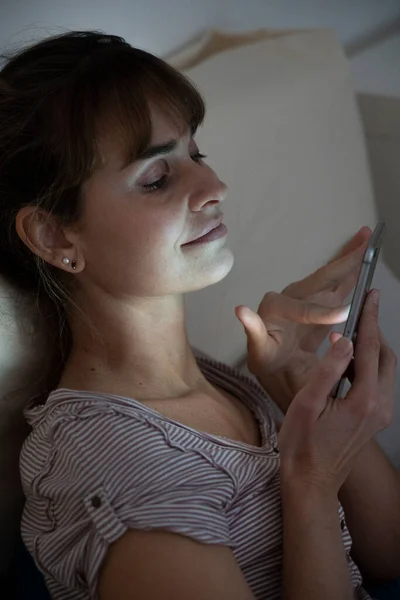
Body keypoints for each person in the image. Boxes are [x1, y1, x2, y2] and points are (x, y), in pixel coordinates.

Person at [0, 30, 399, 600]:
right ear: (52, 233)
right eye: (157, 178)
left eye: (196, 154)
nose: (215, 186)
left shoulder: (217, 379)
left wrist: (291, 383)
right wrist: (309, 484)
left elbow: (386, 555)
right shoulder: (118, 466)